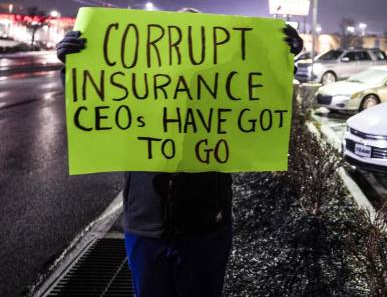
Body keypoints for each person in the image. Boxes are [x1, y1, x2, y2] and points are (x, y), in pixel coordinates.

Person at [57, 15, 303, 297]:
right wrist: (73, 66)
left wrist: (280, 55)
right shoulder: (141, 92)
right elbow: (96, 99)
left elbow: (262, 96)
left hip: (206, 229)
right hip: (145, 227)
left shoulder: (219, 90)